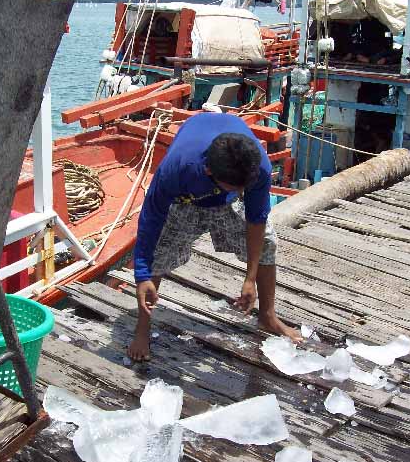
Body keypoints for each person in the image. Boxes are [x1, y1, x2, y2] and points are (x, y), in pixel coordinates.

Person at [128, 112, 302, 362]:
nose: (244, 191)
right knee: (157, 254)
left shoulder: (257, 168)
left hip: (226, 197)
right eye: (237, 187)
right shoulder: (177, 169)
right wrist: (142, 274)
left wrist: (250, 278)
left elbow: (256, 220)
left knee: (267, 243)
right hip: (186, 199)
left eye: (245, 187)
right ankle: (142, 328)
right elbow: (150, 219)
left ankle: (267, 317)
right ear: (209, 171)